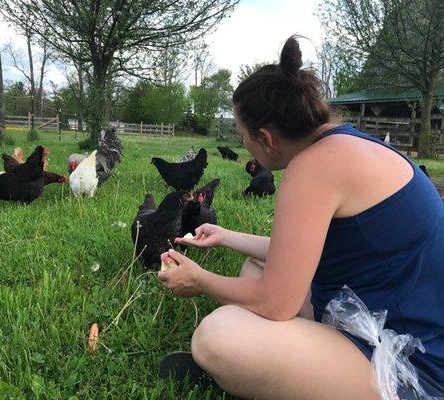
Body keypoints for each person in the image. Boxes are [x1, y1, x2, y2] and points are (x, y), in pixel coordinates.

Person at [156, 36, 444, 399]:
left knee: (217, 337)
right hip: (388, 319)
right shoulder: (348, 145)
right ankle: (292, 369)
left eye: (242, 135)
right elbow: (303, 252)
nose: (243, 144)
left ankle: (277, 375)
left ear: (266, 137)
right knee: (256, 266)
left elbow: (277, 304)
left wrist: (200, 279)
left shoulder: (312, 167)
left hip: (408, 366)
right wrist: (226, 235)